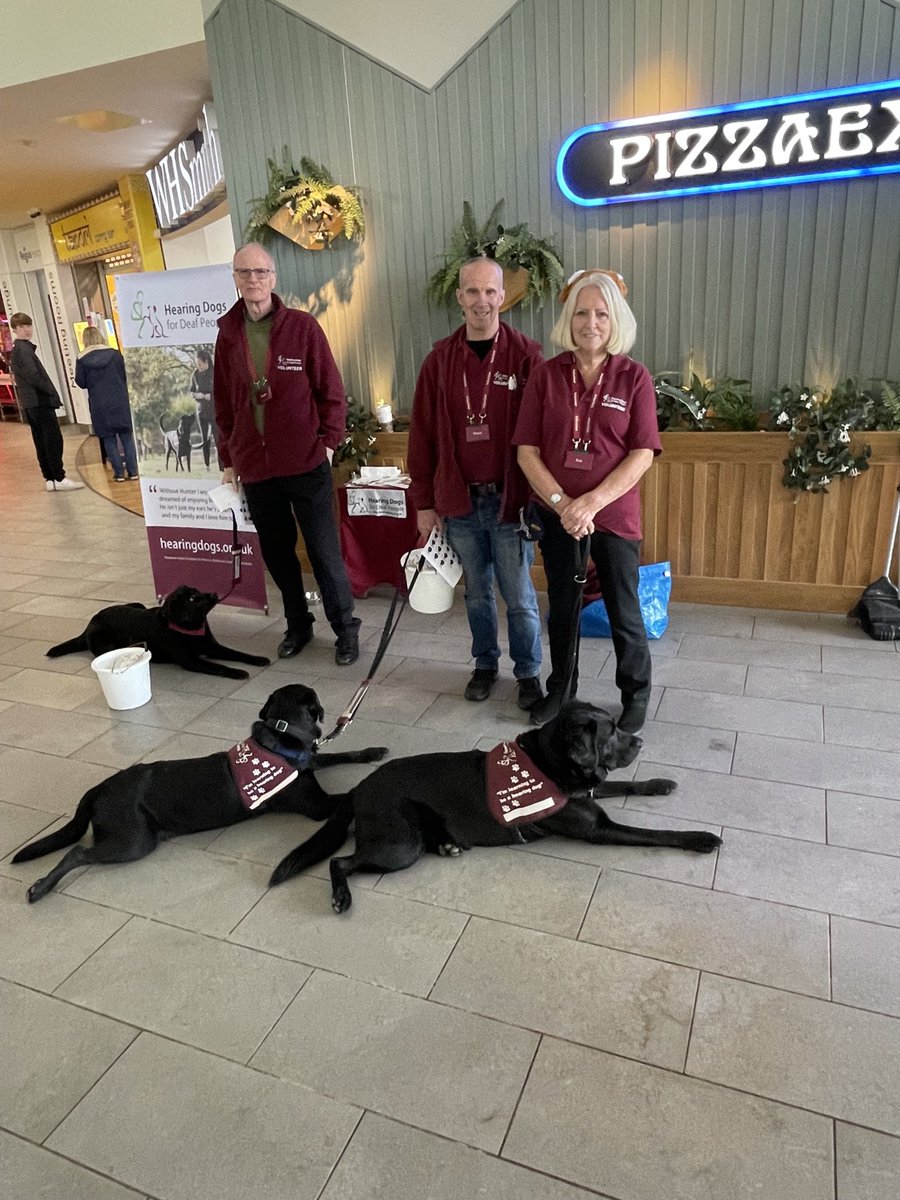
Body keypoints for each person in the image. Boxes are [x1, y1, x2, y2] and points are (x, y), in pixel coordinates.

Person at [513, 270, 661, 731]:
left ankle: (634, 693)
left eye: (601, 313)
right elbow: (527, 451)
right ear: (569, 318)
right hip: (559, 515)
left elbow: (641, 455)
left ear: (615, 319)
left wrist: (590, 502)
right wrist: (562, 504)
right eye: (581, 312)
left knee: (623, 608)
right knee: (563, 605)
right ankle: (562, 689)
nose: (590, 322)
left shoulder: (634, 378)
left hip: (613, 516)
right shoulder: (546, 375)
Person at [214, 242, 361, 665]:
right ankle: (298, 625)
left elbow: (331, 392)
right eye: (245, 272)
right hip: (256, 468)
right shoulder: (227, 336)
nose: (254, 280)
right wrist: (229, 460)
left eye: (261, 272)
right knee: (278, 555)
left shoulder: (302, 327)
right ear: (236, 278)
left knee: (323, 552)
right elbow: (223, 404)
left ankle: (346, 628)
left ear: (273, 278)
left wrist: (329, 444)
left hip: (306, 463)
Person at [408, 256, 544, 710]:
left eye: (490, 291)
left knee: (520, 596)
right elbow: (421, 437)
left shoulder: (527, 356)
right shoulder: (439, 361)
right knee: (477, 593)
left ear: (503, 297)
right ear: (460, 297)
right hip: (460, 503)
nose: (481, 301)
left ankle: (527, 673)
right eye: (472, 291)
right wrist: (424, 503)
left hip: (510, 503)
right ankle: (485, 664)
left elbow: (542, 434)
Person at [9, 312, 84, 492]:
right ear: (15, 329)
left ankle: (50, 478)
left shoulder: (19, 350)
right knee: (52, 440)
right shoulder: (23, 350)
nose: (27, 330)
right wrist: (51, 391)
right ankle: (58, 476)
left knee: (41, 440)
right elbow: (33, 376)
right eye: (22, 327)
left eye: (28, 326)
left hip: (31, 403)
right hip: (39, 401)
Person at [75, 326, 139, 482]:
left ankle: (118, 474)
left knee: (108, 439)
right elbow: (126, 374)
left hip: (99, 404)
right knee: (126, 437)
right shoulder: (115, 355)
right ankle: (133, 471)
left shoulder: (82, 360)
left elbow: (81, 382)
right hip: (119, 401)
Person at [189, 348, 215, 468]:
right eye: (196, 364)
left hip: (214, 410)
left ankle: (223, 465)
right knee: (204, 438)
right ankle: (207, 464)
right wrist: (196, 395)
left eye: (200, 363)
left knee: (218, 437)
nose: (198, 366)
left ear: (206, 362)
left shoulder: (215, 372)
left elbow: (223, 391)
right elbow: (191, 392)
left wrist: (210, 396)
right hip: (201, 410)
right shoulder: (195, 374)